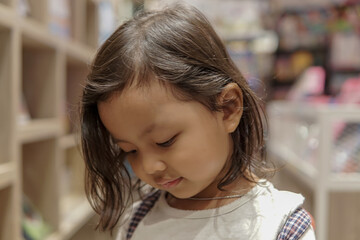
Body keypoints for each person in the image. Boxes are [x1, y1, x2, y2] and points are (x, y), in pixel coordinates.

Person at [80, 3, 316, 240]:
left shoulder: (281, 227)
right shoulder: (136, 222)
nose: (149, 166)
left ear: (227, 109)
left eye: (165, 141)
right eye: (129, 150)